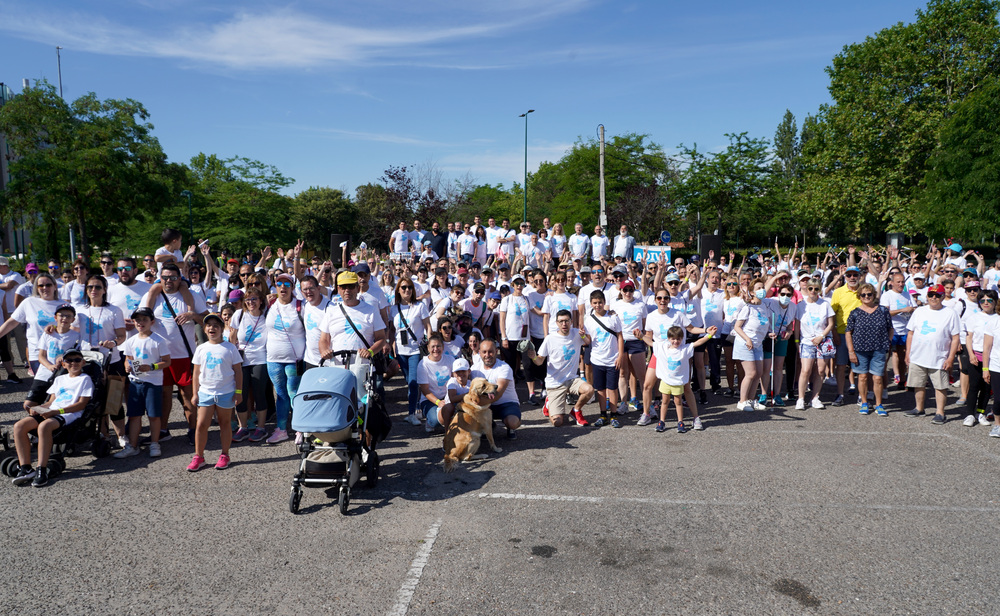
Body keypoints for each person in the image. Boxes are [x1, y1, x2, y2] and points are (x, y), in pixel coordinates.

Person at [141, 263, 207, 445]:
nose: (168, 281)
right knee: (164, 394)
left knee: (188, 394)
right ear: (160, 278)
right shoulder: (152, 295)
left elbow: (208, 320)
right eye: (165, 277)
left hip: (184, 355)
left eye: (172, 277)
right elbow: (140, 319)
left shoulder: (191, 295)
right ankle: (163, 430)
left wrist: (193, 315)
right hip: (160, 356)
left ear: (180, 278)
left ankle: (193, 430)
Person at [9, 348, 93, 487]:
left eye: (77, 360)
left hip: (69, 414)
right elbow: (51, 402)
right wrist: (38, 409)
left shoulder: (85, 379)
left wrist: (57, 412)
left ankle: (41, 469)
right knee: (19, 426)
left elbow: (81, 405)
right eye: (69, 360)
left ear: (83, 362)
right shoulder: (60, 379)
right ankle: (26, 468)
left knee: (44, 426)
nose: (73, 363)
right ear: (64, 364)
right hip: (53, 411)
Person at [114, 307, 172, 459]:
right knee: (134, 415)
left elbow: (166, 361)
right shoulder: (131, 341)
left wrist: (152, 366)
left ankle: (154, 443)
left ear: (152, 322)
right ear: (133, 322)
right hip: (135, 382)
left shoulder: (159, 340)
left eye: (144, 319)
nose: (141, 322)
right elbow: (128, 358)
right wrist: (127, 364)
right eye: (137, 320)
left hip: (153, 383)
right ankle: (133, 446)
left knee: (153, 416)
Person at [188, 313, 243, 471]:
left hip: (226, 392)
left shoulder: (230, 348)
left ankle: (224, 454)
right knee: (201, 425)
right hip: (205, 392)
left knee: (224, 423)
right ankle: (199, 456)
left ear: (221, 329)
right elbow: (196, 373)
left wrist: (238, 392)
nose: (212, 328)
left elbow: (238, 371)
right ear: (204, 329)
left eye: (216, 325)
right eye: (209, 325)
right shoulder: (201, 348)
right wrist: (195, 393)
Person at [903, 284, 961, 424]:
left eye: (937, 295)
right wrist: (908, 353)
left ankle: (940, 412)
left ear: (942, 296)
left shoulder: (950, 313)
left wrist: (951, 357)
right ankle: (919, 408)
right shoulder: (919, 311)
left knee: (940, 386)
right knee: (918, 383)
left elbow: (955, 338)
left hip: (939, 357)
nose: (934, 298)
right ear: (927, 296)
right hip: (917, 355)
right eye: (931, 295)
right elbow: (910, 333)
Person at [526, 309, 594, 427]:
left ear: (571, 321)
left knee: (589, 390)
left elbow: (587, 342)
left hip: (572, 379)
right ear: (556, 323)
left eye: (567, 321)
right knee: (558, 423)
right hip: (555, 383)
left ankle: (576, 411)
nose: (564, 324)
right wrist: (533, 357)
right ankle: (549, 403)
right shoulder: (550, 339)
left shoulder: (577, 333)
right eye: (561, 321)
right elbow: (539, 361)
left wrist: (583, 336)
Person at [263, 273, 306, 444]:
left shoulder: (300, 306)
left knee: (294, 393)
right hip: (273, 358)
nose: (283, 287)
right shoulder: (270, 304)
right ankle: (281, 429)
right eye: (279, 283)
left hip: (294, 359)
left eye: (287, 284)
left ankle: (300, 429)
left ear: (293, 288)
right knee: (280, 395)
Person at [654, 325, 718, 433]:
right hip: (666, 381)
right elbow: (650, 342)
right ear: (668, 339)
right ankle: (661, 421)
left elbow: (698, 342)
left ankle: (680, 422)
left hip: (678, 382)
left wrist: (710, 335)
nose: (676, 341)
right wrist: (641, 336)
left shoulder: (685, 349)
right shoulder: (663, 348)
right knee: (664, 401)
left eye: (678, 339)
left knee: (678, 402)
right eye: (673, 339)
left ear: (682, 339)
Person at [0, 273, 63, 377]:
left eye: (48, 285)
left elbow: (72, 328)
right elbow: (11, 323)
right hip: (36, 354)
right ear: (36, 288)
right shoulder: (28, 302)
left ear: (55, 286)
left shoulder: (64, 305)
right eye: (41, 286)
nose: (44, 288)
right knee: (41, 387)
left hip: (59, 353)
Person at [229, 286, 270, 443]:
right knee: (240, 394)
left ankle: (260, 428)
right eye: (247, 299)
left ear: (260, 301)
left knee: (259, 394)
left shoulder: (267, 315)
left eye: (254, 299)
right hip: (241, 360)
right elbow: (232, 338)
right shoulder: (239, 315)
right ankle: (243, 427)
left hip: (260, 359)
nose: (251, 302)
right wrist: (232, 360)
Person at [845, 283, 893, 416]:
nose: (867, 297)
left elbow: (891, 328)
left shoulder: (883, 311)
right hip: (860, 350)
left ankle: (879, 404)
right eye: (863, 294)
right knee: (862, 377)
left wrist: (887, 342)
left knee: (878, 378)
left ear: (874, 295)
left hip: (879, 349)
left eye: (869, 294)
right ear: (859, 296)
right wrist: (851, 351)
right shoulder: (855, 313)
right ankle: (864, 402)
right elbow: (848, 332)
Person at [391, 277, 431, 426]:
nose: (407, 290)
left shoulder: (419, 306)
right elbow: (391, 330)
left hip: (415, 349)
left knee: (413, 382)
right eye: (403, 288)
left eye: (409, 287)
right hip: (401, 351)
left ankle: (411, 413)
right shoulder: (394, 309)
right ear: (398, 291)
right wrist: (391, 345)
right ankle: (418, 405)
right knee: (409, 381)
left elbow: (428, 326)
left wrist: (429, 342)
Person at [584, 291, 626, 427]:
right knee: (600, 389)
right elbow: (588, 340)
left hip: (612, 359)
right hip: (597, 359)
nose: (598, 305)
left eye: (600, 302)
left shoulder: (613, 317)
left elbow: (620, 336)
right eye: (595, 303)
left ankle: (613, 416)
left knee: (612, 388)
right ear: (591, 304)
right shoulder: (588, 319)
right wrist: (583, 337)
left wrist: (620, 356)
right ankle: (603, 414)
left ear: (604, 302)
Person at [794, 279, 835, 410]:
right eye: (810, 288)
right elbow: (797, 326)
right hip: (806, 341)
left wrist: (821, 336)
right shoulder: (801, 306)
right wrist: (796, 342)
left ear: (819, 290)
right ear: (807, 288)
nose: (813, 291)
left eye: (816, 289)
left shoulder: (825, 304)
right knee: (806, 369)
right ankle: (800, 398)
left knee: (821, 370)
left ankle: (815, 397)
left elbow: (830, 324)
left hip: (823, 341)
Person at [732, 279, 771, 412]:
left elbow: (763, 325)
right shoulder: (748, 307)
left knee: (759, 373)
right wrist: (747, 339)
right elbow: (737, 327)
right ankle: (742, 401)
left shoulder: (764, 306)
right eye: (758, 288)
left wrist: (769, 333)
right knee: (751, 373)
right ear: (753, 292)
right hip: (745, 343)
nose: (762, 290)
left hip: (758, 344)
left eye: (763, 287)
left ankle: (751, 399)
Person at [471, 339, 521, 439]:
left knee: (512, 422)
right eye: (484, 352)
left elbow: (498, 394)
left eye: (490, 351)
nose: (487, 355)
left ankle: (510, 428)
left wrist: (478, 402)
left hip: (506, 403)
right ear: (479, 353)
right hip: (486, 405)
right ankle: (489, 424)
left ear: (496, 351)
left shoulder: (504, 368)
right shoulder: (474, 369)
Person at [962, 289, 996, 427]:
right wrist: (970, 354)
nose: (986, 303)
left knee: (987, 388)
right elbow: (969, 337)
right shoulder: (974, 318)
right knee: (974, 386)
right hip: (976, 355)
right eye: (982, 300)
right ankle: (970, 414)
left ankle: (980, 413)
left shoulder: (997, 317)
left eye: (989, 300)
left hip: (993, 357)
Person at [830, 265, 864, 405]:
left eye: (854, 275)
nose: (852, 278)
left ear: (859, 276)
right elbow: (831, 315)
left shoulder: (864, 291)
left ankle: (862, 395)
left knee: (862, 366)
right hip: (842, 333)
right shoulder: (838, 292)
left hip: (861, 334)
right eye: (849, 275)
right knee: (841, 365)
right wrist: (834, 332)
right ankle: (840, 394)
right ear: (845, 277)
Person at [614, 280, 648, 413]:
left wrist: (643, 336)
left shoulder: (640, 304)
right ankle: (623, 403)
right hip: (621, 341)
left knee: (641, 375)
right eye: (625, 290)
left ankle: (647, 406)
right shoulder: (616, 305)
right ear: (621, 291)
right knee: (622, 374)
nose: (628, 293)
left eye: (630, 290)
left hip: (636, 341)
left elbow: (645, 325)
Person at [417, 333, 455, 433]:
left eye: (438, 346)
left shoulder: (450, 359)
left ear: (443, 347)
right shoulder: (423, 364)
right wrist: (438, 402)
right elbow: (425, 390)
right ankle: (429, 420)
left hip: (447, 396)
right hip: (429, 400)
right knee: (435, 421)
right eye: (433, 346)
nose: (436, 349)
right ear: (428, 348)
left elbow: (456, 379)